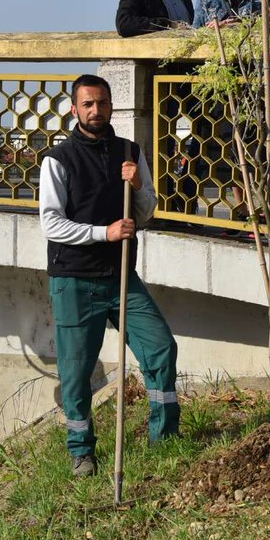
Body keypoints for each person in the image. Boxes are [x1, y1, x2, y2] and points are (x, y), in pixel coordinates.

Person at [39, 74, 180, 476]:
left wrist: (136, 186)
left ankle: (164, 436)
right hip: (74, 278)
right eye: (88, 104)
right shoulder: (58, 159)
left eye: (102, 103)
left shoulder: (130, 152)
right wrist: (105, 232)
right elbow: (51, 224)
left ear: (111, 105)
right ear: (74, 109)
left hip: (120, 275)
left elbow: (147, 211)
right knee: (76, 369)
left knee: (160, 347)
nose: (96, 111)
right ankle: (82, 450)